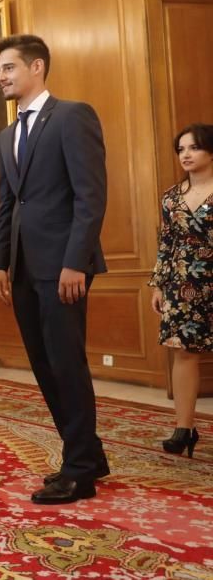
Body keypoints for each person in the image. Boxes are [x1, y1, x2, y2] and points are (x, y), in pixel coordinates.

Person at [0, 34, 109, 505]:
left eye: (9, 67)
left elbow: (90, 196)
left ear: (37, 67)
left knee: (66, 363)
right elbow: (7, 205)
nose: (1, 77)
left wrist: (75, 261)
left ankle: (79, 471)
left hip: (63, 266)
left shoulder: (73, 116)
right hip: (21, 268)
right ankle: (89, 453)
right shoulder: (5, 135)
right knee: (43, 365)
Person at [149, 122, 213, 458]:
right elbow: (166, 243)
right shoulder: (171, 198)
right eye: (181, 149)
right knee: (184, 351)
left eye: (194, 148)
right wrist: (158, 284)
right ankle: (184, 429)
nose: (186, 154)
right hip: (183, 284)